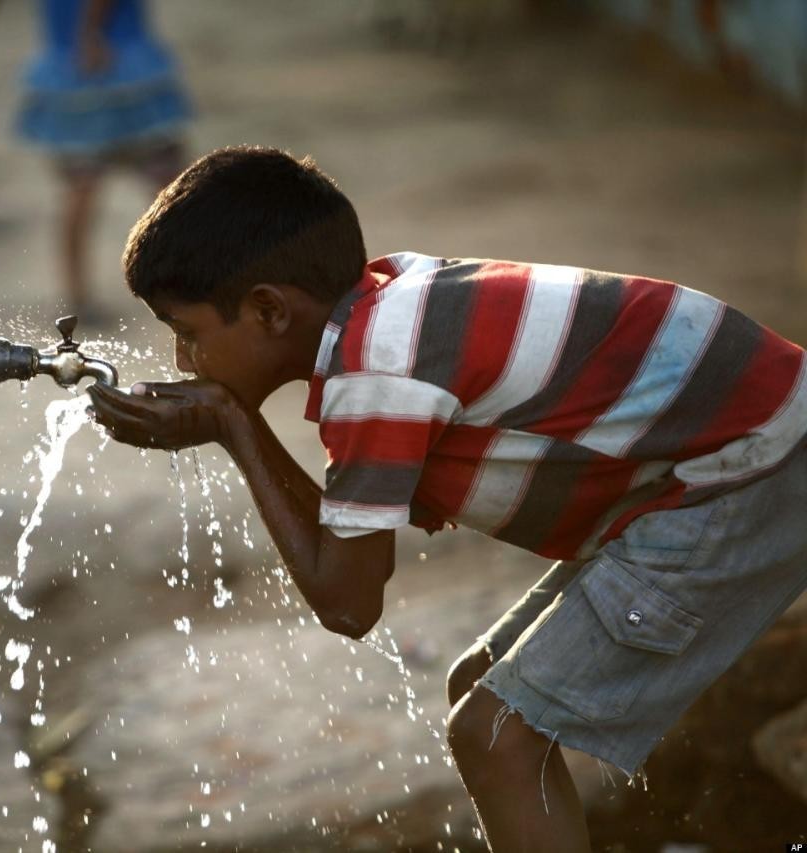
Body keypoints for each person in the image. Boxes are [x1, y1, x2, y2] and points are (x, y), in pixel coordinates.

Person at [85, 145, 807, 852]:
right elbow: (346, 552)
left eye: (188, 334)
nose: (184, 360)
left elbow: (348, 600)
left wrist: (234, 428)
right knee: (481, 692)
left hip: (754, 467)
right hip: (727, 454)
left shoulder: (379, 371)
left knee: (496, 735)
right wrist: (231, 421)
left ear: (271, 310)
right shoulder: (383, 310)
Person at [0, 0, 191, 322]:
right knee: (170, 190)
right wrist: (90, 33)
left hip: (73, 75)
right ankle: (194, 285)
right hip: (121, 68)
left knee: (86, 189)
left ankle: (79, 297)